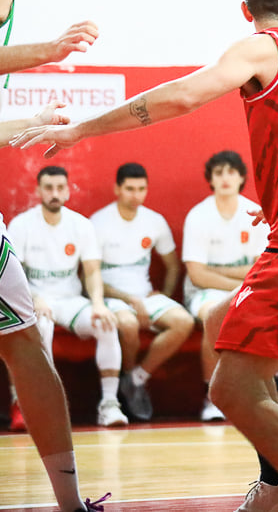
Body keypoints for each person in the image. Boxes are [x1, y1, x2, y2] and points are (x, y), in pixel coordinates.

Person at [14, 0, 278, 512]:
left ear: (246, 10)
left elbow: (182, 97)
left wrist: (82, 131)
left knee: (230, 388)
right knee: (219, 317)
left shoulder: (263, 47)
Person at [0, 0, 109, 510]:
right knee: (25, 344)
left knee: (23, 339)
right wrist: (52, 50)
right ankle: (70, 507)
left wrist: (31, 119)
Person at [181, 150, 278, 422]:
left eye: (231, 172)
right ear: (211, 180)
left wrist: (220, 272)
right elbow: (197, 276)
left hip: (249, 286)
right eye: (219, 173)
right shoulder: (198, 216)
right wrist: (236, 283)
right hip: (207, 292)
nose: (225, 178)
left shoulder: (254, 212)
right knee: (213, 314)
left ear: (241, 177)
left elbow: (261, 267)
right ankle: (211, 398)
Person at [7, 166, 131, 428]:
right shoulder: (22, 225)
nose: (54, 193)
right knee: (40, 327)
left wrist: (98, 304)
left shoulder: (81, 225)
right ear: (39, 190)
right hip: (37, 300)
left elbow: (92, 272)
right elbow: (12, 276)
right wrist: (33, 300)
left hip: (71, 300)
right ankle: (28, 404)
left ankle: (109, 404)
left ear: (67, 190)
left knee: (106, 323)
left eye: (60, 187)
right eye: (49, 187)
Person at [90, 162, 195, 421]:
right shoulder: (98, 222)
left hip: (145, 295)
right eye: (129, 189)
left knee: (183, 322)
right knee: (127, 324)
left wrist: (165, 296)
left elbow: (172, 265)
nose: (136, 195)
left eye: (141, 189)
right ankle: (125, 378)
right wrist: (128, 299)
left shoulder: (154, 221)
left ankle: (135, 379)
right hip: (112, 297)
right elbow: (87, 276)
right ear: (117, 189)